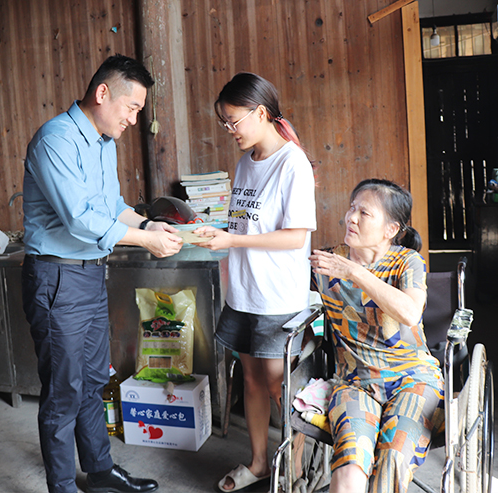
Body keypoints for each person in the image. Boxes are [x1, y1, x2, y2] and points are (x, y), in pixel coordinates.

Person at [21, 54, 182, 493]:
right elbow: (79, 219)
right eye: (131, 108)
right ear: (102, 93)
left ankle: (99, 471)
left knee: (94, 380)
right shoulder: (56, 139)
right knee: (64, 390)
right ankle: (62, 487)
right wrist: (144, 241)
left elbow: (111, 208)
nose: (133, 119)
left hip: (90, 275)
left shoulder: (103, 143)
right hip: (57, 278)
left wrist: (149, 225)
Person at [195, 72, 317, 492]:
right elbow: (246, 224)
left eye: (233, 121)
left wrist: (232, 239)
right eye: (224, 122)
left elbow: (295, 237)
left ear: (260, 113)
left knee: (280, 385)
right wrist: (216, 232)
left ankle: (294, 470)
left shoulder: (292, 163)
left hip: (277, 297)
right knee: (250, 380)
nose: (229, 129)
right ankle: (260, 463)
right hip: (244, 291)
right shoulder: (247, 161)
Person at [309, 179, 444, 493]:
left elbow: (410, 312)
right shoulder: (328, 262)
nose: (351, 218)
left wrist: (354, 272)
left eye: (364, 213)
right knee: (350, 465)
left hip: (414, 379)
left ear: (390, 229)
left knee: (393, 459)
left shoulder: (407, 262)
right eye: (352, 208)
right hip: (355, 382)